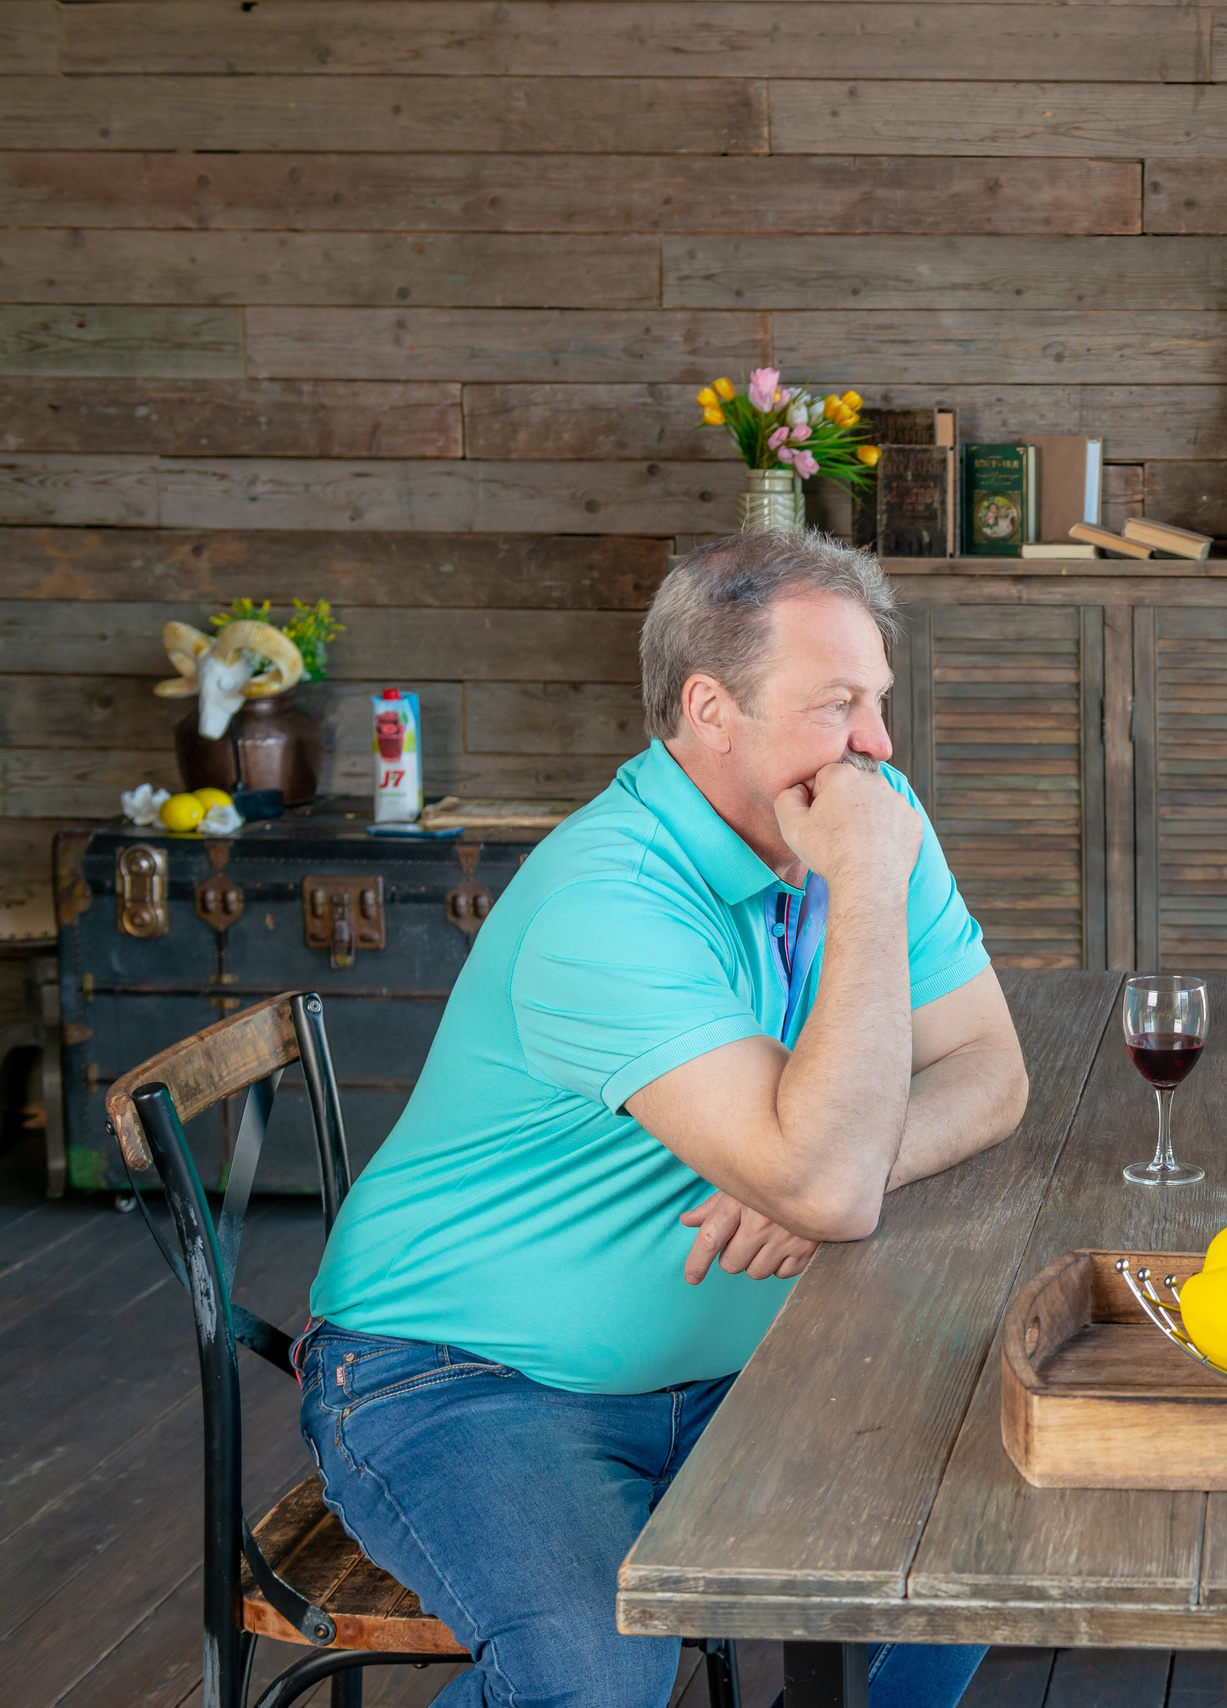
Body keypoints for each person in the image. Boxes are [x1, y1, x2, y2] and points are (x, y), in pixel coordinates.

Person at [298, 533, 1025, 1708]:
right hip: (467, 1375)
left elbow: (991, 1069)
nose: (881, 746)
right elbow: (828, 1191)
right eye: (838, 704)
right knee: (594, 1677)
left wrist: (825, 1163)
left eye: (878, 701)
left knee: (955, 1545)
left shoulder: (859, 822)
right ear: (710, 709)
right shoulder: (609, 900)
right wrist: (816, 1168)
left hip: (740, 1369)